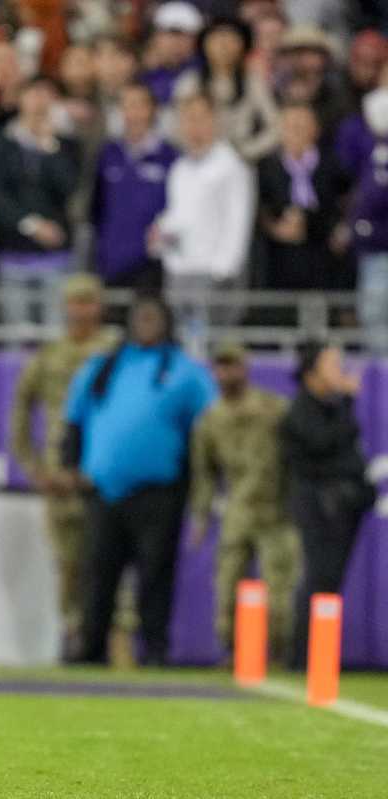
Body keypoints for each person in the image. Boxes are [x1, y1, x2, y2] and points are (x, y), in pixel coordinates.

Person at [63, 294, 216, 665]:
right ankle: (91, 650)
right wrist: (72, 465)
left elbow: (211, 428)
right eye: (140, 316)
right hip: (103, 489)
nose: (146, 323)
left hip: (159, 490)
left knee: (155, 574)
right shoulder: (102, 367)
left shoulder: (185, 371)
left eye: (154, 317)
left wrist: (201, 483)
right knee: (98, 575)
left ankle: (155, 650)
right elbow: (74, 420)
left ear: (167, 323)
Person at [8, 274, 117, 654]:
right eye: (75, 302)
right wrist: (33, 467)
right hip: (59, 475)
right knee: (69, 563)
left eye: (88, 302)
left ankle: (117, 641)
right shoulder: (49, 356)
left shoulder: (115, 350)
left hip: (107, 474)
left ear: (99, 306)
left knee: (112, 559)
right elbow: (21, 409)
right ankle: (75, 636)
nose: (81, 310)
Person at [189, 341, 298, 663]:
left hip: (274, 510)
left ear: (244, 368)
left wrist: (297, 504)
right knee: (227, 587)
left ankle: (280, 650)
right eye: (220, 366)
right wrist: (201, 516)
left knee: (279, 588)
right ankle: (232, 649)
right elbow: (204, 473)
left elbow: (296, 459)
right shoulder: (210, 419)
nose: (225, 373)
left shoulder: (273, 408)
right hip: (237, 510)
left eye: (231, 365)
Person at [281, 342, 375, 670]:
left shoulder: (333, 407)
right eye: (332, 364)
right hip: (320, 507)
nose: (341, 371)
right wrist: (348, 401)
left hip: (340, 507)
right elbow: (323, 444)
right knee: (320, 579)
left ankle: (317, 657)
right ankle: (303, 657)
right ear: (311, 373)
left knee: (329, 583)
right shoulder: (301, 410)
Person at [150, 93, 254, 356]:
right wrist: (161, 232)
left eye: (200, 119)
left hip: (214, 274)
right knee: (182, 344)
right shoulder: (180, 168)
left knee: (214, 349)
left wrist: (223, 269)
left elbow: (238, 222)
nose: (194, 126)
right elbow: (179, 215)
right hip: (179, 270)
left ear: (215, 122)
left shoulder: (231, 166)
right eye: (188, 120)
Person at [0, 76, 79, 326]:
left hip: (55, 257)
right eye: (34, 93)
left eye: (47, 94)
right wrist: (32, 225)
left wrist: (49, 145)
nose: (39, 101)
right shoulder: (0, 143)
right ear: (21, 99)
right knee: (17, 337)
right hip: (13, 253)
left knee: (55, 337)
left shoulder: (64, 145)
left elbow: (70, 189)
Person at [92, 82, 178, 290]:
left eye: (140, 105)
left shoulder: (170, 156)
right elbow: (96, 207)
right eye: (127, 106)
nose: (134, 113)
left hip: (153, 263)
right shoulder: (108, 154)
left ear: (153, 110)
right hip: (111, 260)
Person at [256, 102, 350, 290]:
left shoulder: (333, 166)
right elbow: (259, 211)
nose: (296, 132)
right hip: (279, 262)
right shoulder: (266, 168)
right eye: (291, 126)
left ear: (315, 129)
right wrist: (275, 227)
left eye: (302, 126)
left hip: (323, 260)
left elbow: (345, 205)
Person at [174, 16, 280, 162]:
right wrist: (197, 150)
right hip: (198, 159)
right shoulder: (190, 82)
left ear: (242, 46)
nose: (223, 45)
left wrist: (247, 151)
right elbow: (175, 124)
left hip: (241, 158)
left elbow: (275, 126)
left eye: (231, 39)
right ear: (204, 45)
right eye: (216, 39)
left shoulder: (252, 82)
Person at [350, 87, 388, 355]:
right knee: (371, 314)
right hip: (371, 249)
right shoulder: (373, 152)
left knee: (375, 311)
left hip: (381, 248)